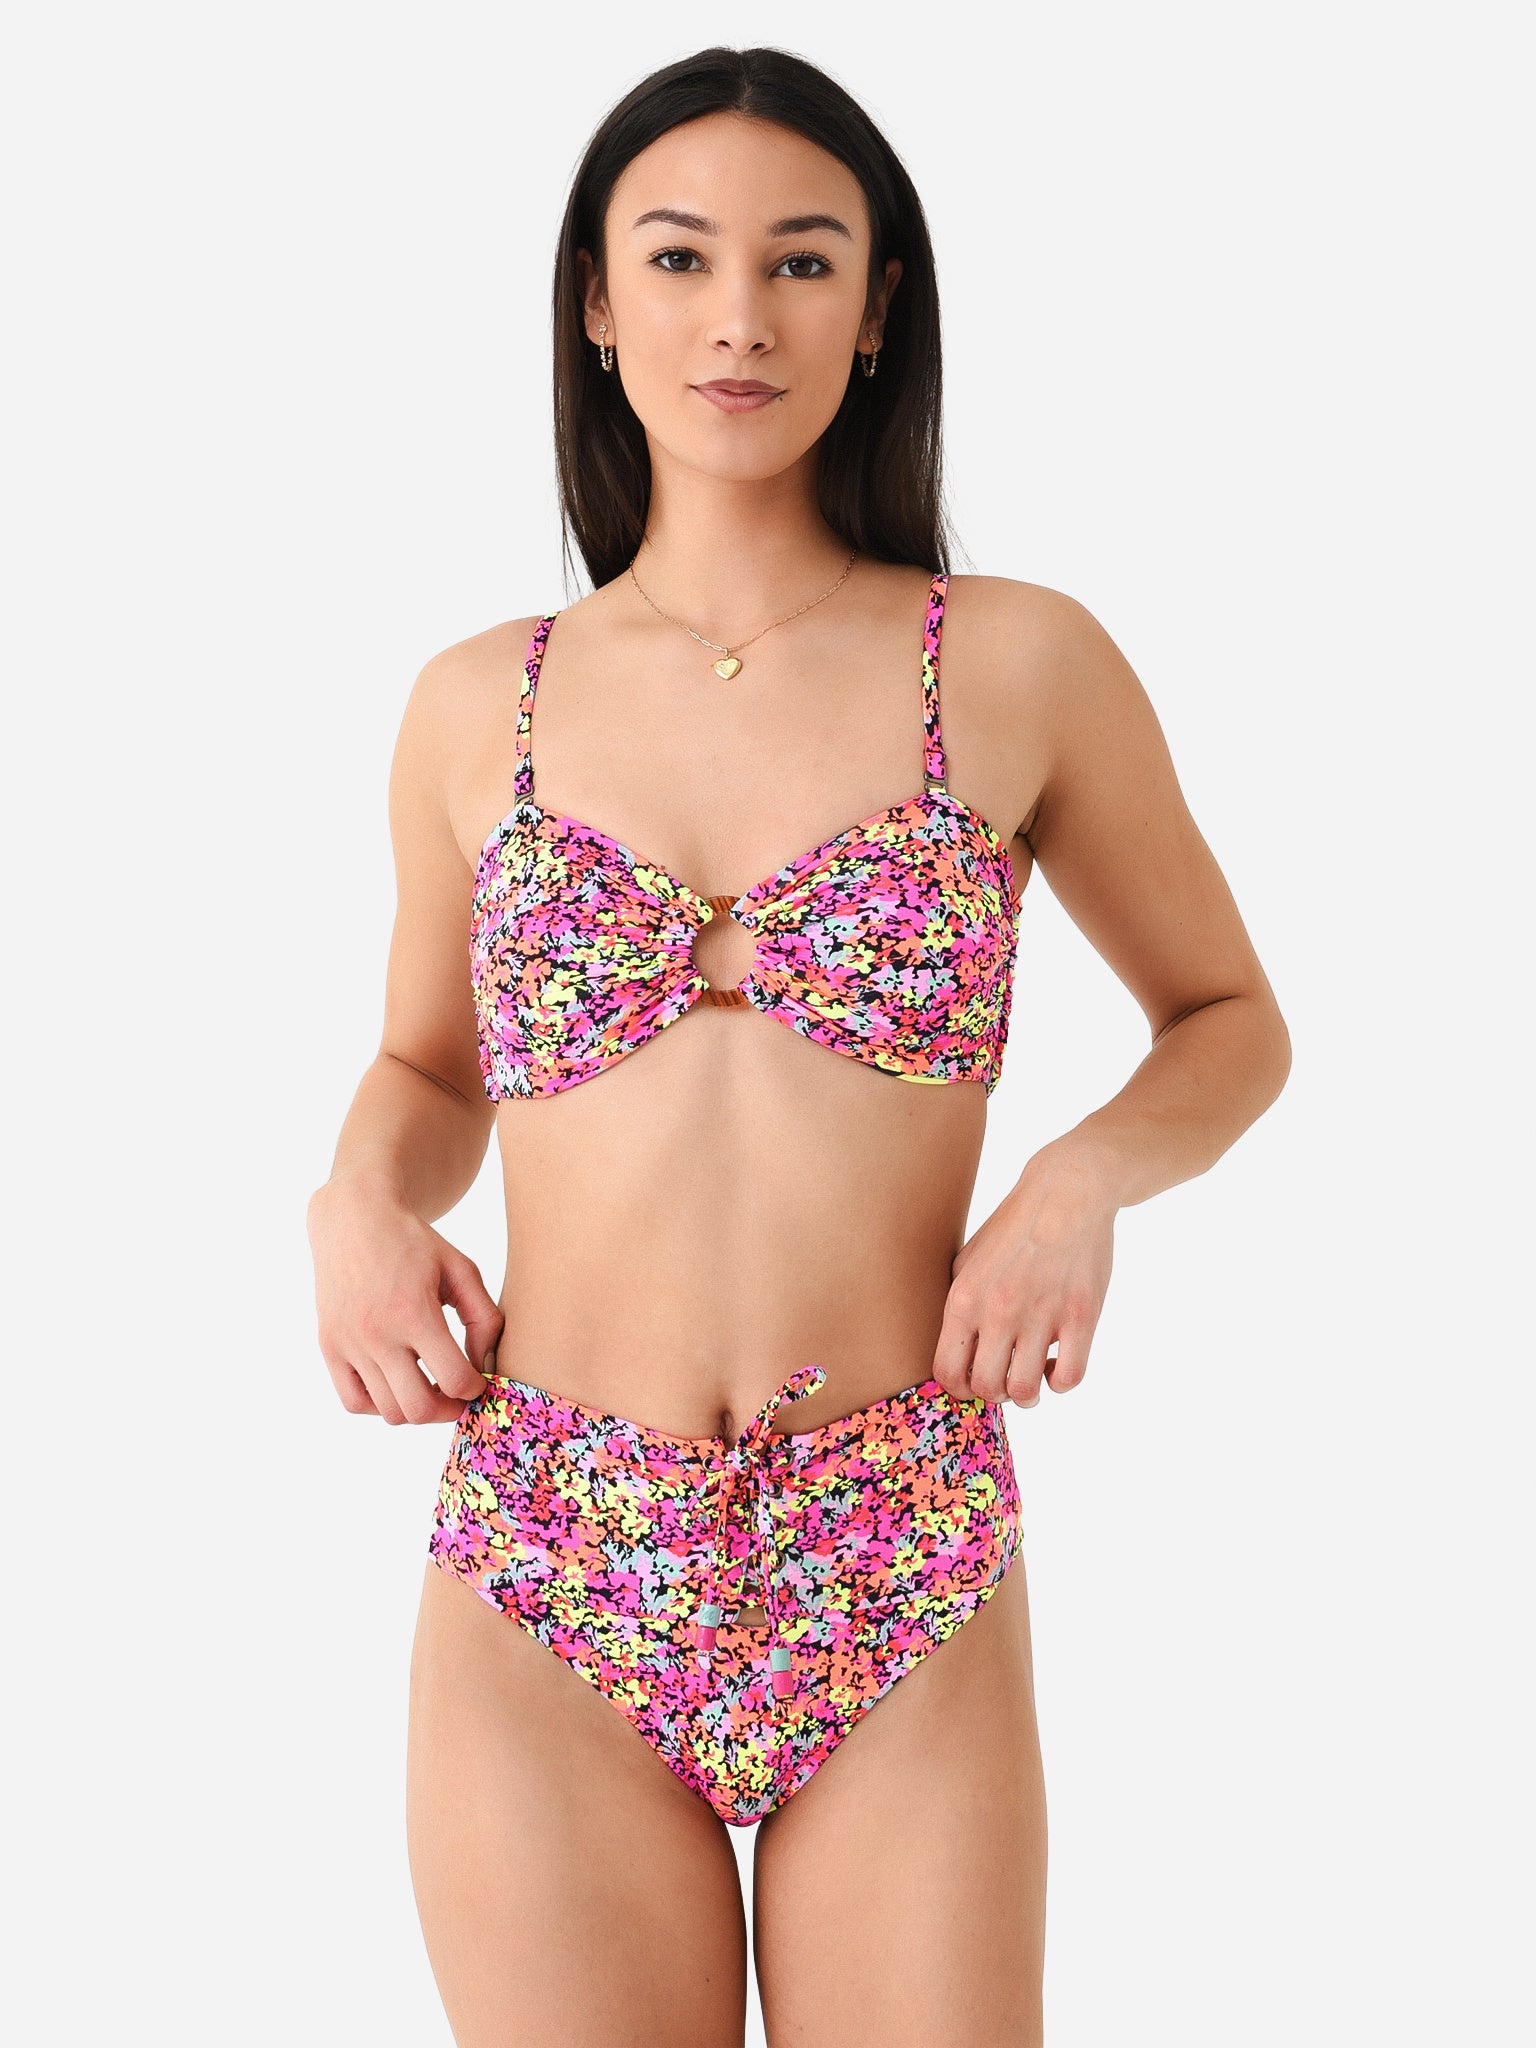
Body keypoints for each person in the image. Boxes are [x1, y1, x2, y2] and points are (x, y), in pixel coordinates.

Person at [305, 44, 1291, 2048]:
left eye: (803, 260)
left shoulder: (1013, 661)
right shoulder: (476, 705)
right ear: (598, 304)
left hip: (895, 1528)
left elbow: (1230, 1020)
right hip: (557, 1548)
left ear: (879, 305)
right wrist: (353, 1204)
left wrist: (1077, 1183)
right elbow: (430, 1072)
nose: (739, 316)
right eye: (679, 258)